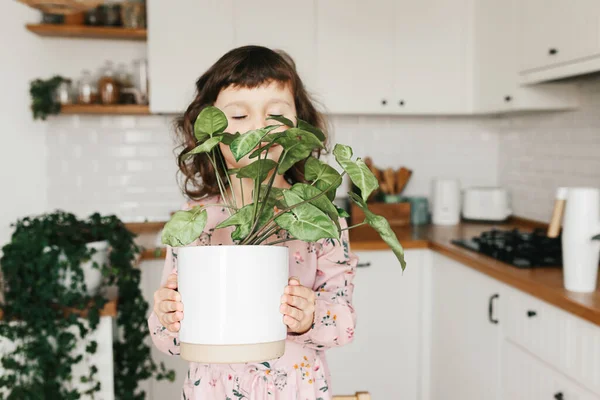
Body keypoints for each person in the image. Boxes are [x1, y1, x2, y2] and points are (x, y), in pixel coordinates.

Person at [148, 45, 358, 400]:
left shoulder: (321, 218)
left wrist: (309, 317)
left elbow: (344, 323)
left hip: (295, 391)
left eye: (275, 114)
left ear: (299, 124)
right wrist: (168, 318)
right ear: (207, 130)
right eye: (239, 117)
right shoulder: (195, 221)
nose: (259, 129)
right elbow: (167, 340)